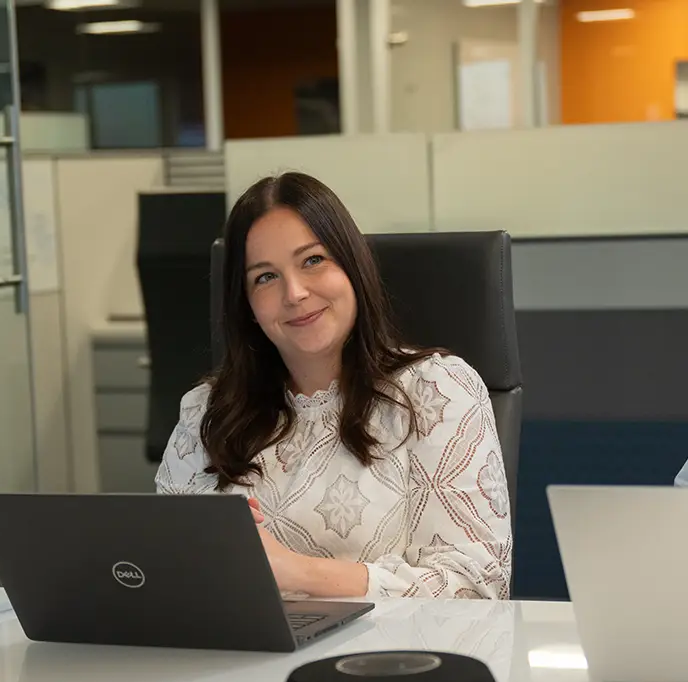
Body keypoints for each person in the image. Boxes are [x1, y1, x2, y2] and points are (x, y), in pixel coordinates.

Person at [156, 172, 512, 600]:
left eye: (313, 260)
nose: (295, 293)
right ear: (246, 305)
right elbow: (166, 574)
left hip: (391, 658)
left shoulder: (436, 392)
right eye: (265, 277)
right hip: (239, 658)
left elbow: (476, 587)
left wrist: (295, 573)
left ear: (352, 267)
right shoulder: (206, 411)